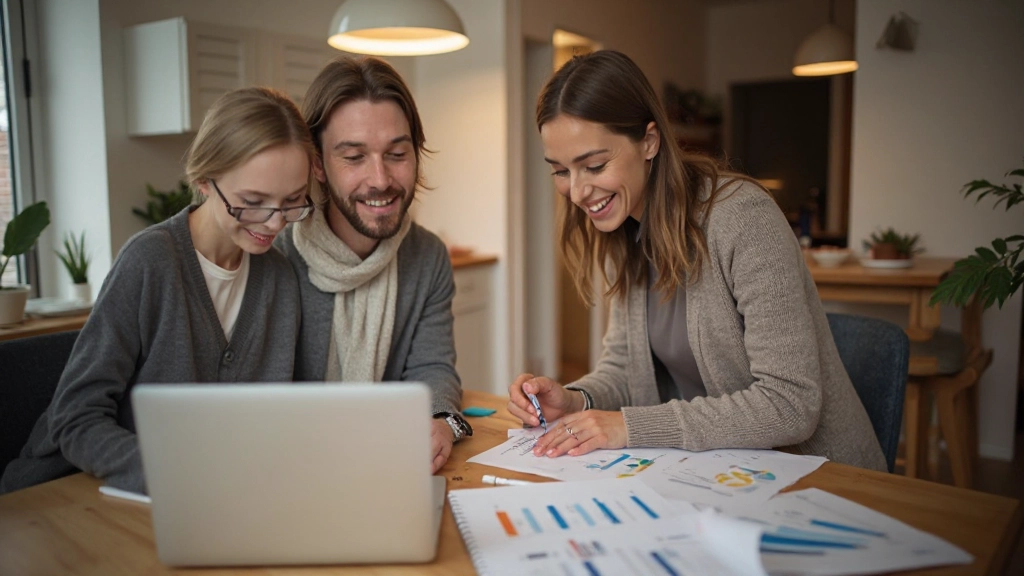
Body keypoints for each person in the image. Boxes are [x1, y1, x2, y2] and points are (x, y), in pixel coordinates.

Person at [507, 50, 886, 472]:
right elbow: (624, 369)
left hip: (823, 476)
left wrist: (631, 426)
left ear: (649, 142)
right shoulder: (625, 229)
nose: (577, 192)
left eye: (594, 165)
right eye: (561, 171)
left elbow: (790, 403)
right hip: (721, 473)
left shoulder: (743, 218)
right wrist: (575, 400)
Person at [0, 87, 315, 494]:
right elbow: (74, 417)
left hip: (209, 494)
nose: (274, 223)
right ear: (204, 180)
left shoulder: (279, 278)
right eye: (252, 201)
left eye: (292, 201)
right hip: (65, 490)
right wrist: (175, 475)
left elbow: (269, 418)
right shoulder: (150, 261)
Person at [275, 56, 468, 474]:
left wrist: (442, 422)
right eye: (354, 157)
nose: (380, 179)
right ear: (317, 164)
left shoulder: (427, 256)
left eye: (397, 153)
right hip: (289, 468)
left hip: (386, 464)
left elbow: (433, 368)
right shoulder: (274, 256)